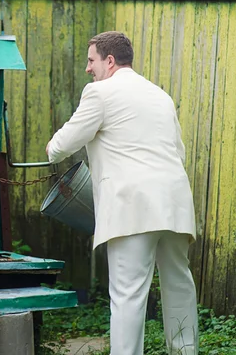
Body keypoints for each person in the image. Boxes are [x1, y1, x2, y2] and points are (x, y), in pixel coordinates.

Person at [46, 31, 198, 355]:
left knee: (128, 295)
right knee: (179, 286)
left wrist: (50, 148)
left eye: (91, 61)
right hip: (175, 203)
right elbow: (179, 152)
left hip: (132, 208)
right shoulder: (161, 96)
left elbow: (62, 145)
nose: (88, 69)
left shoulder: (99, 93)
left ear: (109, 61)